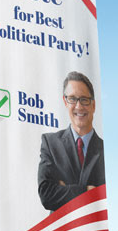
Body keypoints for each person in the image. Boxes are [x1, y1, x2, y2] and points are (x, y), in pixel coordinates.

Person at [38, 71, 105, 211]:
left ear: (93, 104)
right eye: (72, 99)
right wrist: (86, 190)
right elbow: (46, 195)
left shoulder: (105, 149)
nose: (79, 106)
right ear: (65, 102)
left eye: (84, 99)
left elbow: (106, 198)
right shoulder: (50, 143)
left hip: (94, 230)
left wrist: (64, 189)